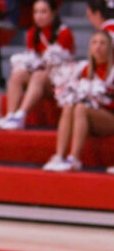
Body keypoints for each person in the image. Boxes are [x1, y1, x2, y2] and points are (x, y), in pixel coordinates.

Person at [0, 0, 74, 129]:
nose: (39, 16)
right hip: (42, 77)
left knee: (38, 75)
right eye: (36, 12)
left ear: (53, 13)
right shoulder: (32, 33)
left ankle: (21, 116)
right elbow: (33, 59)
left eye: (43, 12)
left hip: (59, 82)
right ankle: (10, 114)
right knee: (18, 74)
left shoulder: (64, 32)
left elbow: (63, 64)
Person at [43, 30, 114, 171]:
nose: (98, 46)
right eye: (94, 42)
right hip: (89, 117)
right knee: (70, 105)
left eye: (102, 43)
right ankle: (59, 156)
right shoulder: (84, 69)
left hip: (109, 118)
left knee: (81, 107)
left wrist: (100, 98)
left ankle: (74, 158)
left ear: (110, 48)